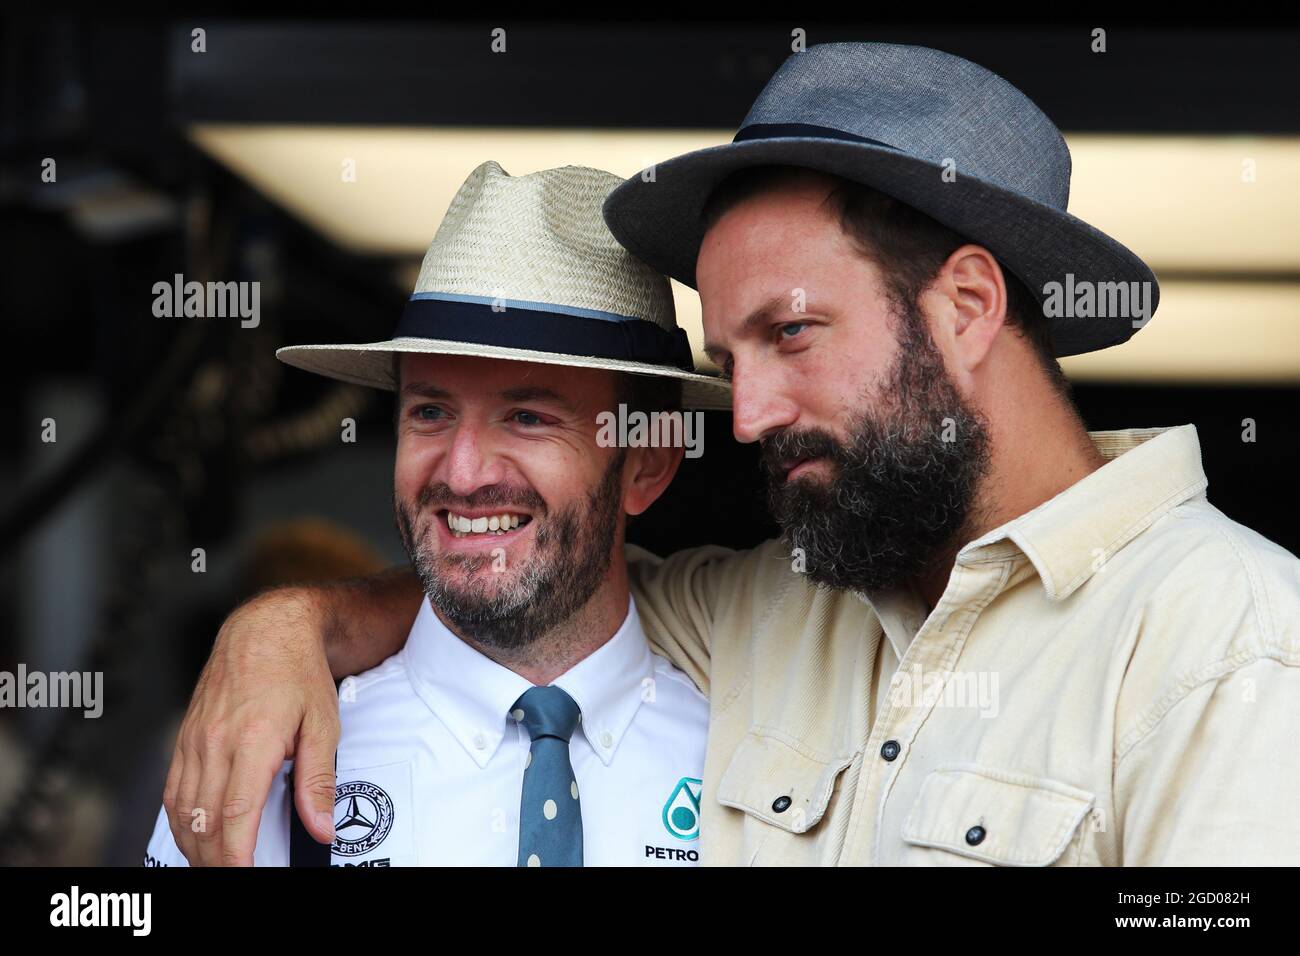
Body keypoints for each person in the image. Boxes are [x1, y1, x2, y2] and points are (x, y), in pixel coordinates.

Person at [165, 43, 1300, 866]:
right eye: (726, 353)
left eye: (790, 334)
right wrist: (284, 624)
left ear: (963, 306)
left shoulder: (1235, 644)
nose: (745, 413)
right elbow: (540, 582)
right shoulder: (780, 604)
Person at [146, 160, 731, 866]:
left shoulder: (755, 776)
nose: (461, 472)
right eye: (430, 411)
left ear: (646, 464)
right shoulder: (269, 765)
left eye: (526, 416)